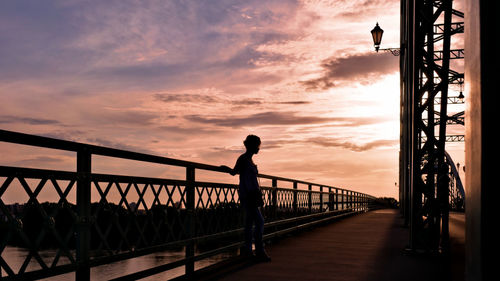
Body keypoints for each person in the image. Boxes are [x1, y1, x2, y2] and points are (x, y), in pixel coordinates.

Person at [221, 135, 271, 262]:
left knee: (249, 223)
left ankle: (248, 250)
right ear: (252, 145)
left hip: (253, 194)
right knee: (259, 222)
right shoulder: (243, 159)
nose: (259, 148)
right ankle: (259, 250)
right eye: (257, 145)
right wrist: (225, 169)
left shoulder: (249, 160)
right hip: (248, 195)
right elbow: (234, 172)